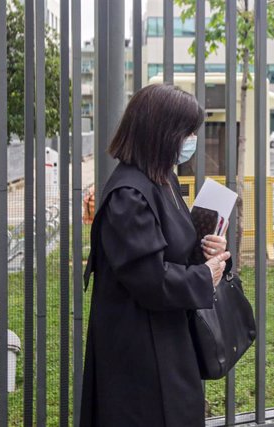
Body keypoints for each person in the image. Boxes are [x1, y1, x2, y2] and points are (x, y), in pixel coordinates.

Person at [81, 84, 231, 426]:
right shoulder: (129, 195)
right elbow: (150, 279)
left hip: (166, 338)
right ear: (162, 132)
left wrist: (212, 253)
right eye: (188, 132)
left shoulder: (160, 180)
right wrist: (203, 276)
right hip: (138, 352)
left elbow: (175, 248)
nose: (191, 140)